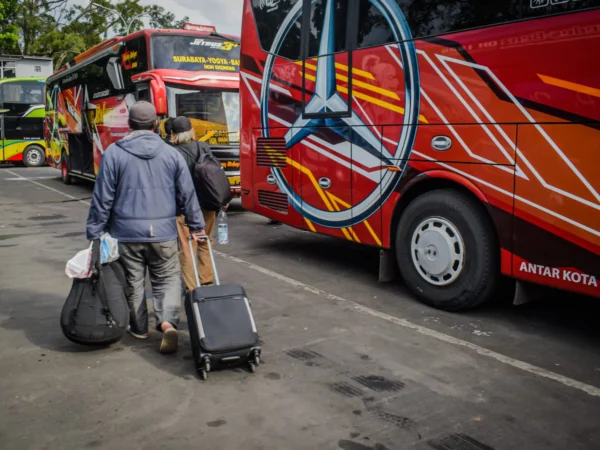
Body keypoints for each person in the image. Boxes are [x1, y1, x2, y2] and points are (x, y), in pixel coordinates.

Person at [86, 101, 206, 354]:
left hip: (125, 233)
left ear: (129, 124)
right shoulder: (171, 154)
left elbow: (102, 198)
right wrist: (196, 225)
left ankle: (139, 328)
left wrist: (95, 232)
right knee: (167, 279)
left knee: (133, 281)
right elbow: (188, 194)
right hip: (163, 232)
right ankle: (166, 323)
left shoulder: (113, 153)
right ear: (155, 125)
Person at [169, 116, 226, 290]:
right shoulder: (203, 147)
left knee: (186, 246)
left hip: (183, 207)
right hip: (207, 203)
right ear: (191, 131)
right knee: (205, 240)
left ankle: (192, 287)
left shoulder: (171, 152)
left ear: (173, 134)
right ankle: (206, 279)